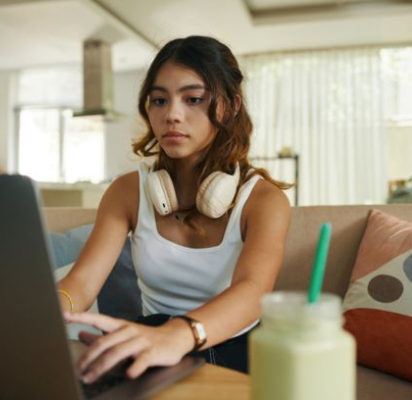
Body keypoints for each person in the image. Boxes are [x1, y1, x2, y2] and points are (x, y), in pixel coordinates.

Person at [58, 35, 291, 384]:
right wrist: (49, 312)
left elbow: (253, 292)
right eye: (159, 100)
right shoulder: (126, 191)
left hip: (232, 346)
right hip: (154, 336)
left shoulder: (264, 200)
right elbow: (82, 282)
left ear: (231, 105)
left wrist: (179, 336)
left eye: (193, 99)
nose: (172, 115)